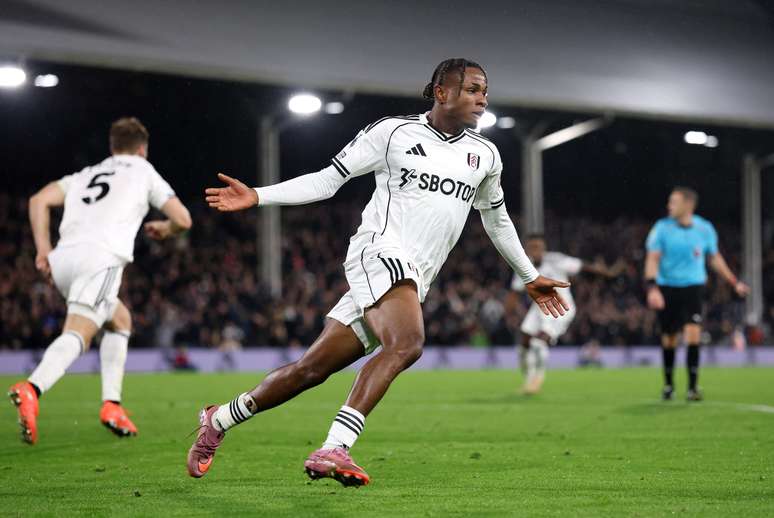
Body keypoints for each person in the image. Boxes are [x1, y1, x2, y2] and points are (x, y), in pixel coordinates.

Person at [188, 58, 571, 487]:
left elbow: (497, 220)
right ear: (441, 92)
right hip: (379, 253)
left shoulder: (484, 155)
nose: (482, 98)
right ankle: (334, 447)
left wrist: (528, 274)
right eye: (473, 89)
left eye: (485, 91)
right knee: (407, 343)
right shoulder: (392, 132)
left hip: (414, 276)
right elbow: (326, 181)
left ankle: (218, 418)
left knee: (310, 371)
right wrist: (259, 195)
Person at [8, 117, 192, 444]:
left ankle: (112, 405)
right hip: (100, 259)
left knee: (120, 319)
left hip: (63, 258)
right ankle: (32, 387)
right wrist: (166, 229)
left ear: (112, 147)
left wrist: (42, 250)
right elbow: (183, 219)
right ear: (142, 149)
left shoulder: (88, 173)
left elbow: (38, 200)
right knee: (80, 332)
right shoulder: (142, 169)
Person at [644, 187, 748, 401]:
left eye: (673, 202)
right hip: (667, 287)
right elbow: (653, 258)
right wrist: (653, 287)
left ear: (688, 205)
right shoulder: (661, 228)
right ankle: (669, 385)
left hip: (694, 287)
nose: (669, 206)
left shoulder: (704, 228)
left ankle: (692, 387)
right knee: (670, 337)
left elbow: (715, 258)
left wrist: (733, 282)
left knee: (693, 333)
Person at [512, 234, 622, 394]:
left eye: (539, 247)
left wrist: (607, 273)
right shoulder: (523, 265)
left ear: (544, 248)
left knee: (538, 342)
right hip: (539, 308)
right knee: (523, 344)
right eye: (532, 247)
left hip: (560, 308)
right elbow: (515, 290)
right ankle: (528, 380)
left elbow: (583, 266)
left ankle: (537, 380)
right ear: (527, 249)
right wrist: (510, 311)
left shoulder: (556, 260)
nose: (536, 251)